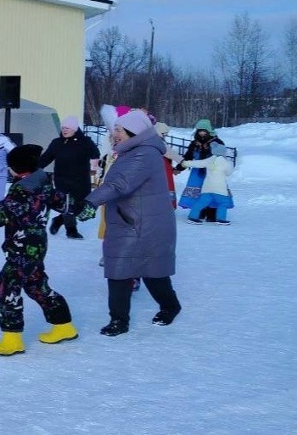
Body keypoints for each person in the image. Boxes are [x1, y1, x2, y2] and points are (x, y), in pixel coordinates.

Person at [0, 144, 80, 355]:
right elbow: (63, 202)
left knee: (7, 286)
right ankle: (64, 326)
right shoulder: (42, 183)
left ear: (16, 168)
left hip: (22, 248)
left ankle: (12, 339)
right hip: (37, 245)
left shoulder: (23, 190)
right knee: (36, 285)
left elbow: (1, 213)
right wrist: (81, 206)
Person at [83, 109, 182, 336]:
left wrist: (89, 202)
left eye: (119, 130)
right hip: (130, 218)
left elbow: (120, 183)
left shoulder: (144, 153)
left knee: (151, 271)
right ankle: (119, 320)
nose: (114, 133)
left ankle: (170, 306)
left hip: (144, 222)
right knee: (120, 268)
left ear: (133, 131)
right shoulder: (132, 151)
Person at [37, 116, 100, 239]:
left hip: (81, 180)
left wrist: (95, 161)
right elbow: (46, 157)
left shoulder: (85, 141)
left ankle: (59, 220)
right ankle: (71, 230)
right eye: (63, 128)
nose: (64, 130)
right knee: (67, 204)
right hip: (62, 179)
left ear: (75, 129)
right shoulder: (57, 142)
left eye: (68, 128)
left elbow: (95, 153)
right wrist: (35, 169)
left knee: (81, 206)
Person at [177, 119, 226, 222]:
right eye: (200, 131)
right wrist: (179, 168)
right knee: (198, 191)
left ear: (209, 131)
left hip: (212, 172)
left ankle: (212, 212)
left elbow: (221, 155)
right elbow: (188, 157)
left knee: (213, 190)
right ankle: (199, 211)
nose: (202, 133)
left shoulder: (216, 142)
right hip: (197, 172)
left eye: (204, 131)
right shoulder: (194, 144)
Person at [181, 142, 234, 225]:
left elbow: (198, 163)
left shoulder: (209, 160)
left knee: (201, 202)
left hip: (207, 187)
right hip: (219, 188)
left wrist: (185, 163)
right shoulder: (225, 162)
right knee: (223, 203)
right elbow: (229, 173)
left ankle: (192, 217)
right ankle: (221, 219)